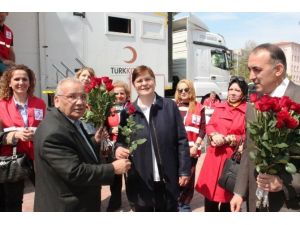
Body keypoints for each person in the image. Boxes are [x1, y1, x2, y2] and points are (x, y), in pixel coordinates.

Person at [33, 78, 131, 212]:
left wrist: (94, 141)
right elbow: (75, 172)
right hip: (67, 207)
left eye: (83, 97)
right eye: (72, 97)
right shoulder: (54, 132)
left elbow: (73, 149)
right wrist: (112, 168)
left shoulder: (69, 120)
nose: (80, 102)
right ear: (56, 100)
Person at [231, 43, 300, 212]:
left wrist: (286, 183)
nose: (251, 76)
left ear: (278, 69)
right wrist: (239, 192)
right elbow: (248, 149)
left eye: (257, 70)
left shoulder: (298, 98)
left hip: (288, 204)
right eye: (249, 69)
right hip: (256, 203)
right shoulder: (254, 103)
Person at [115, 65, 191, 212]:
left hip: (168, 177)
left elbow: (182, 140)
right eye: (139, 80)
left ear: (154, 81)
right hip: (141, 180)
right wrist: (118, 148)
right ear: (134, 85)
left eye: (147, 79)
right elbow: (121, 140)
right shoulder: (128, 112)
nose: (144, 83)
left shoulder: (169, 106)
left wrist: (184, 171)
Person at [195, 76, 248, 212]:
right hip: (214, 157)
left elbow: (247, 136)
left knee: (227, 200)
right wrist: (214, 134)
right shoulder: (220, 106)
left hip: (231, 160)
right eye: (231, 89)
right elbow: (210, 124)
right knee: (210, 199)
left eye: (237, 90)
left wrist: (229, 139)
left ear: (243, 93)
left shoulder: (247, 111)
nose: (233, 92)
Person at [0, 64, 46, 212]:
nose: (21, 82)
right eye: (17, 79)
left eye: (25, 79)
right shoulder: (1, 105)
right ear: (9, 82)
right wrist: (15, 135)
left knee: (46, 194)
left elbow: (46, 129)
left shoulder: (39, 103)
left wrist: (37, 135)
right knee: (13, 202)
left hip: (36, 157)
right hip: (12, 159)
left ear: (30, 82)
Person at [175, 79, 206, 212]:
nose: (183, 92)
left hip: (191, 149)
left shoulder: (199, 107)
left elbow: (203, 129)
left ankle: (184, 204)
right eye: (180, 90)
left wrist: (196, 145)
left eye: (186, 90)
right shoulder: (173, 106)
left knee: (189, 176)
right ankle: (174, 201)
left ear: (191, 91)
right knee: (174, 175)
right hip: (174, 149)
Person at [105, 80, 130, 211]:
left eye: (122, 93)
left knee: (131, 178)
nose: (119, 96)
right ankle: (115, 202)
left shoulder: (132, 108)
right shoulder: (108, 109)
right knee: (115, 178)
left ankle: (134, 203)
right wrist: (110, 130)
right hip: (113, 147)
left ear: (126, 95)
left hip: (129, 148)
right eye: (116, 93)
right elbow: (103, 126)